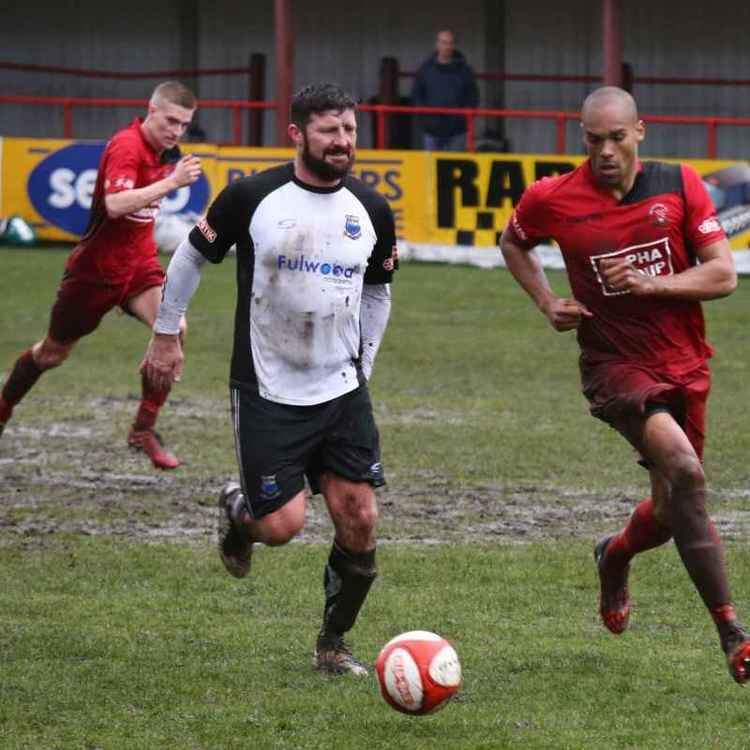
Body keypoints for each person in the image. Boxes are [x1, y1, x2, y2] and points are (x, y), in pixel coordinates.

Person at [141, 83, 398, 676]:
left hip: (340, 389)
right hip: (268, 388)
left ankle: (333, 645)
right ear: (297, 134)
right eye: (330, 130)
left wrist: (367, 362)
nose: (343, 141)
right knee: (282, 527)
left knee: (359, 517)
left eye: (350, 130)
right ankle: (240, 513)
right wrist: (164, 331)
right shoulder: (252, 197)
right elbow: (190, 257)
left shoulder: (371, 209)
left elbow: (378, 292)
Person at [499, 86, 750, 684]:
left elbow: (723, 275)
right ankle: (733, 634)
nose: (605, 150)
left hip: (686, 363)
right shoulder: (554, 198)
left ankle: (614, 554)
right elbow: (513, 240)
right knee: (688, 472)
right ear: (581, 138)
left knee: (670, 511)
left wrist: (651, 284)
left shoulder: (680, 184)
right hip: (614, 365)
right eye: (593, 140)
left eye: (616, 137)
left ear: (640, 131)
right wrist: (545, 301)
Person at [0, 81, 201, 470]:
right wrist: (172, 182)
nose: (177, 131)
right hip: (96, 272)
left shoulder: (166, 150)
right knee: (52, 353)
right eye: (171, 120)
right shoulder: (127, 145)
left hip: (138, 265)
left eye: (185, 124)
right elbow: (115, 204)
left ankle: (143, 429)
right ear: (151, 111)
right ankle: (4, 408)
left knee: (174, 330)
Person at [411, 29, 479, 151]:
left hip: (457, 131)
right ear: (437, 44)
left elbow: (473, 97)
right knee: (431, 167)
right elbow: (417, 96)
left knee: (454, 166)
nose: (447, 46)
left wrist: (463, 120)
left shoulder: (465, 71)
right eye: (443, 42)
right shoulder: (425, 70)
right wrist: (426, 120)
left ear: (454, 45)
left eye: (450, 43)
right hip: (432, 130)